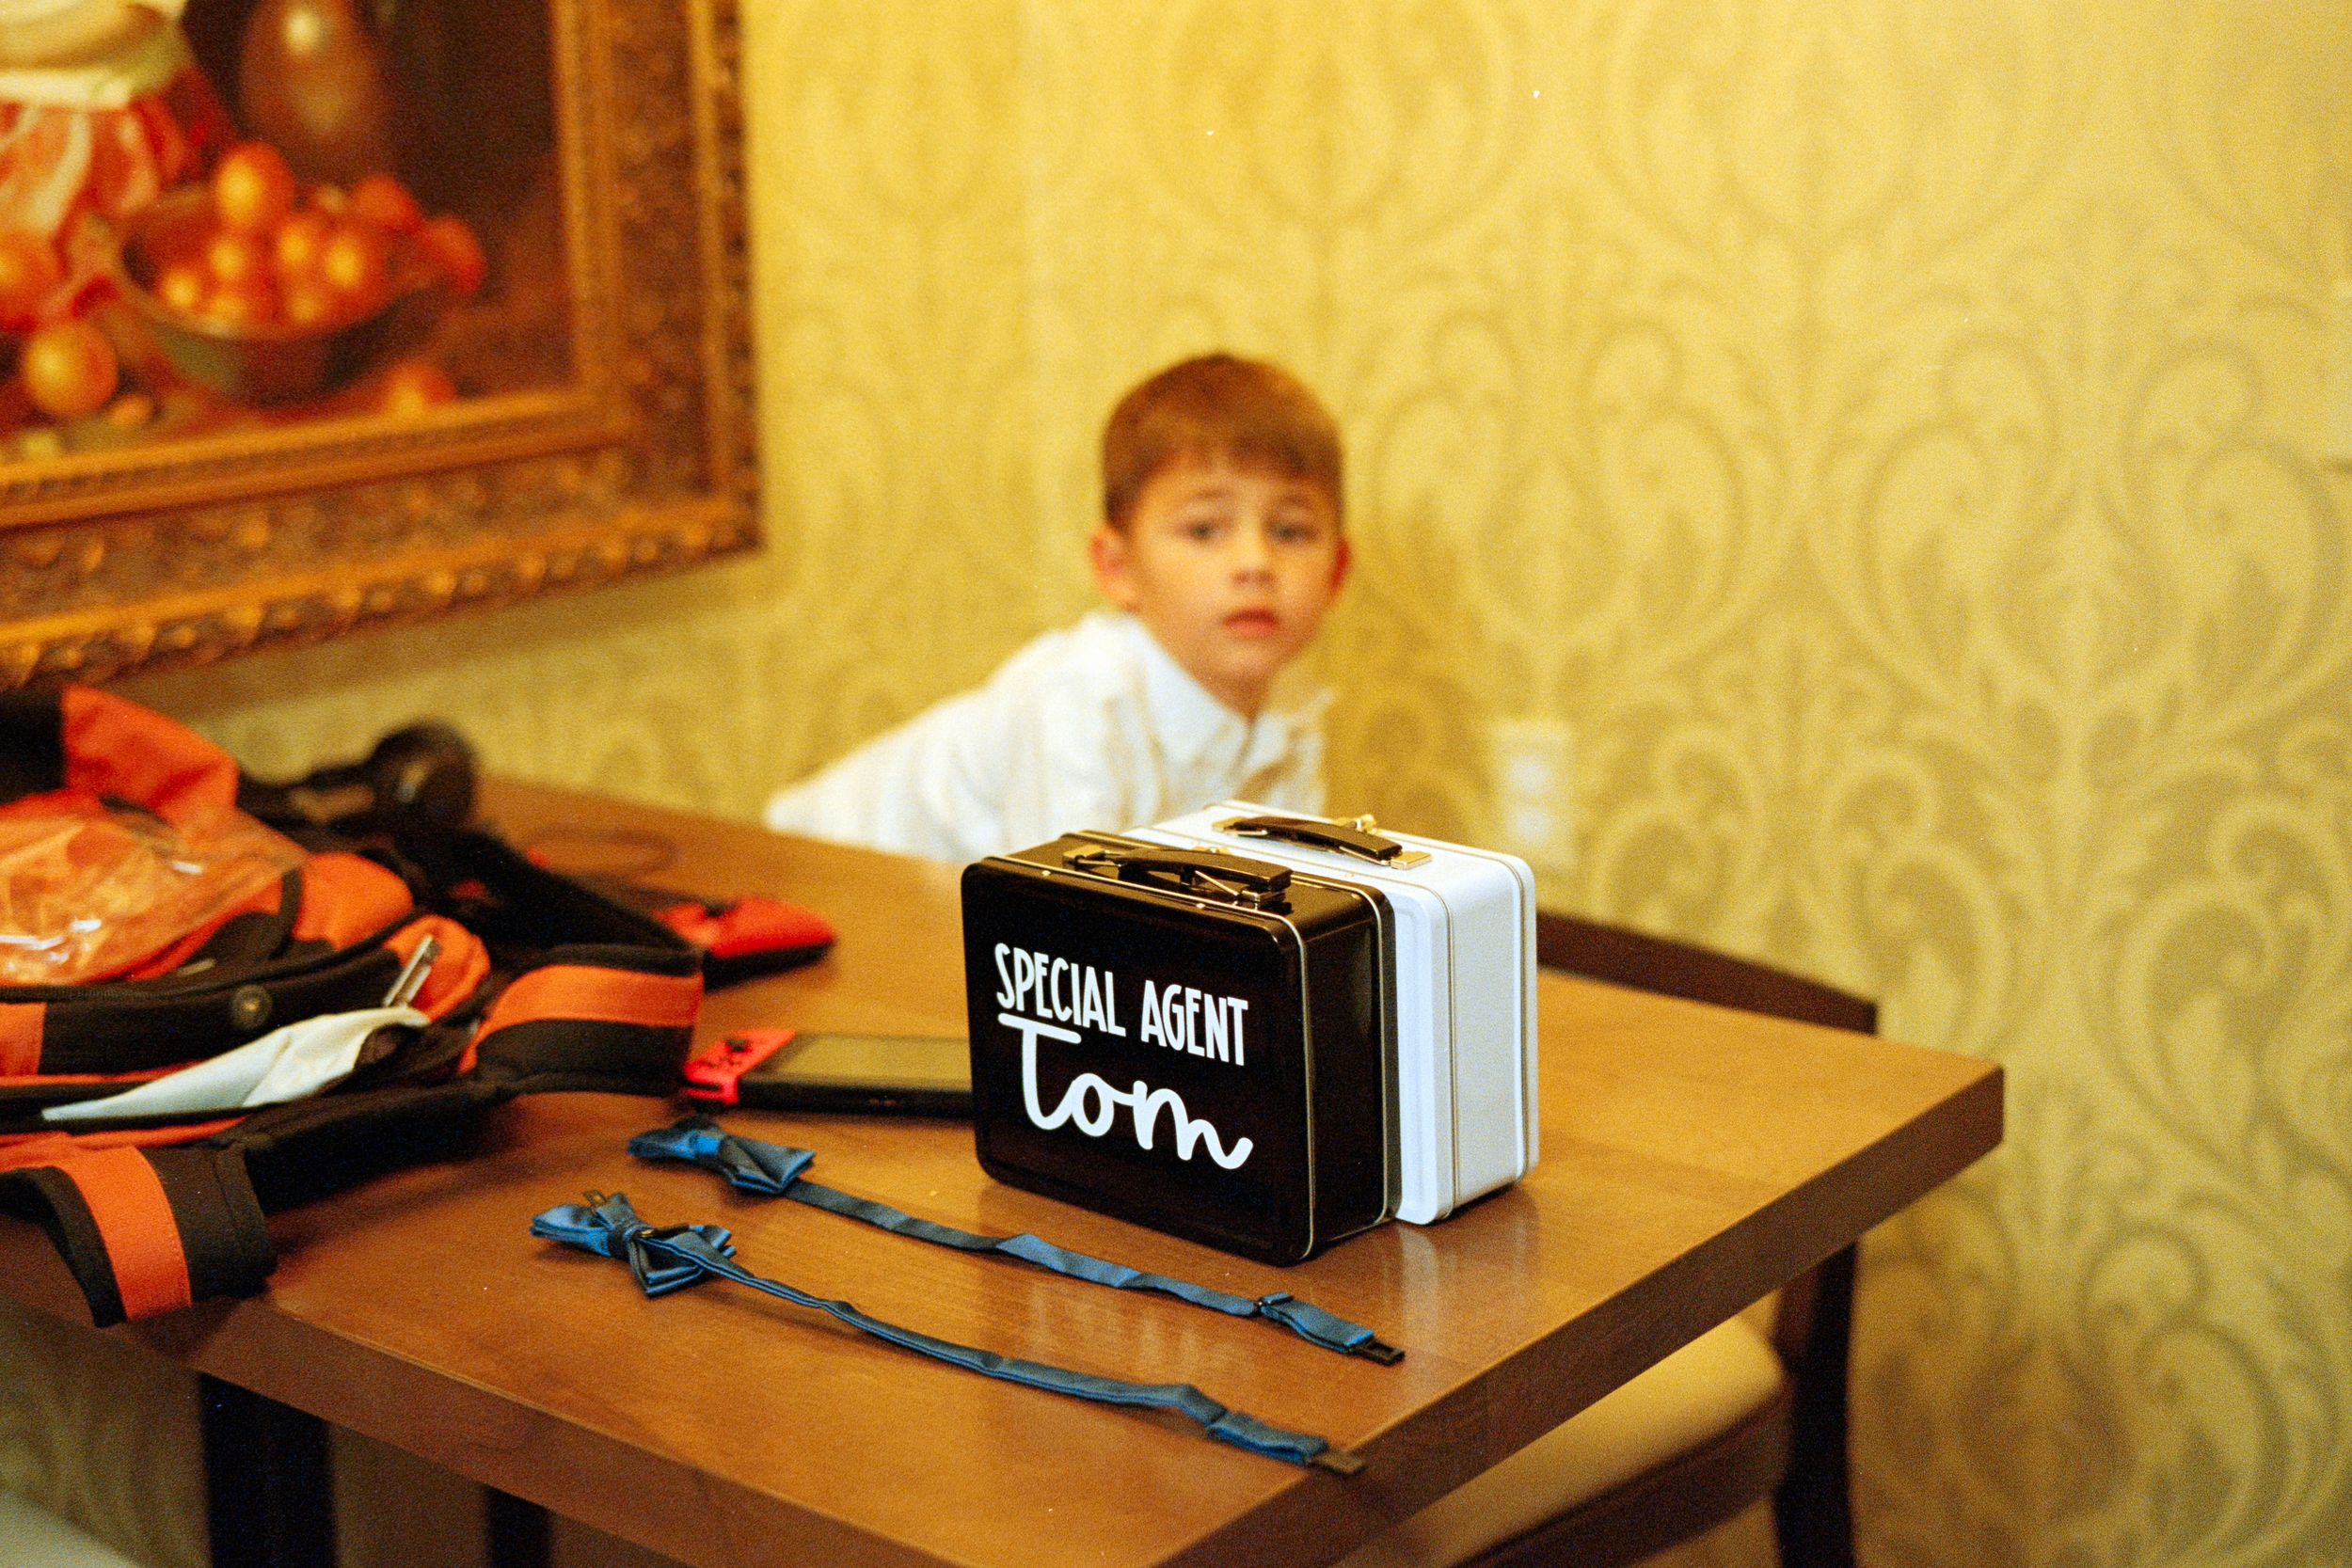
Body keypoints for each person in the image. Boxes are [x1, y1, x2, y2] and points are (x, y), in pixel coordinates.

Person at [765, 352, 1351, 863]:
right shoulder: (1081, 707)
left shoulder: (1293, 707)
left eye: (1291, 531)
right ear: (1117, 568)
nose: (1255, 562)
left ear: (1337, 572)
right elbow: (1067, 932)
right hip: (818, 872)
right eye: (1204, 530)